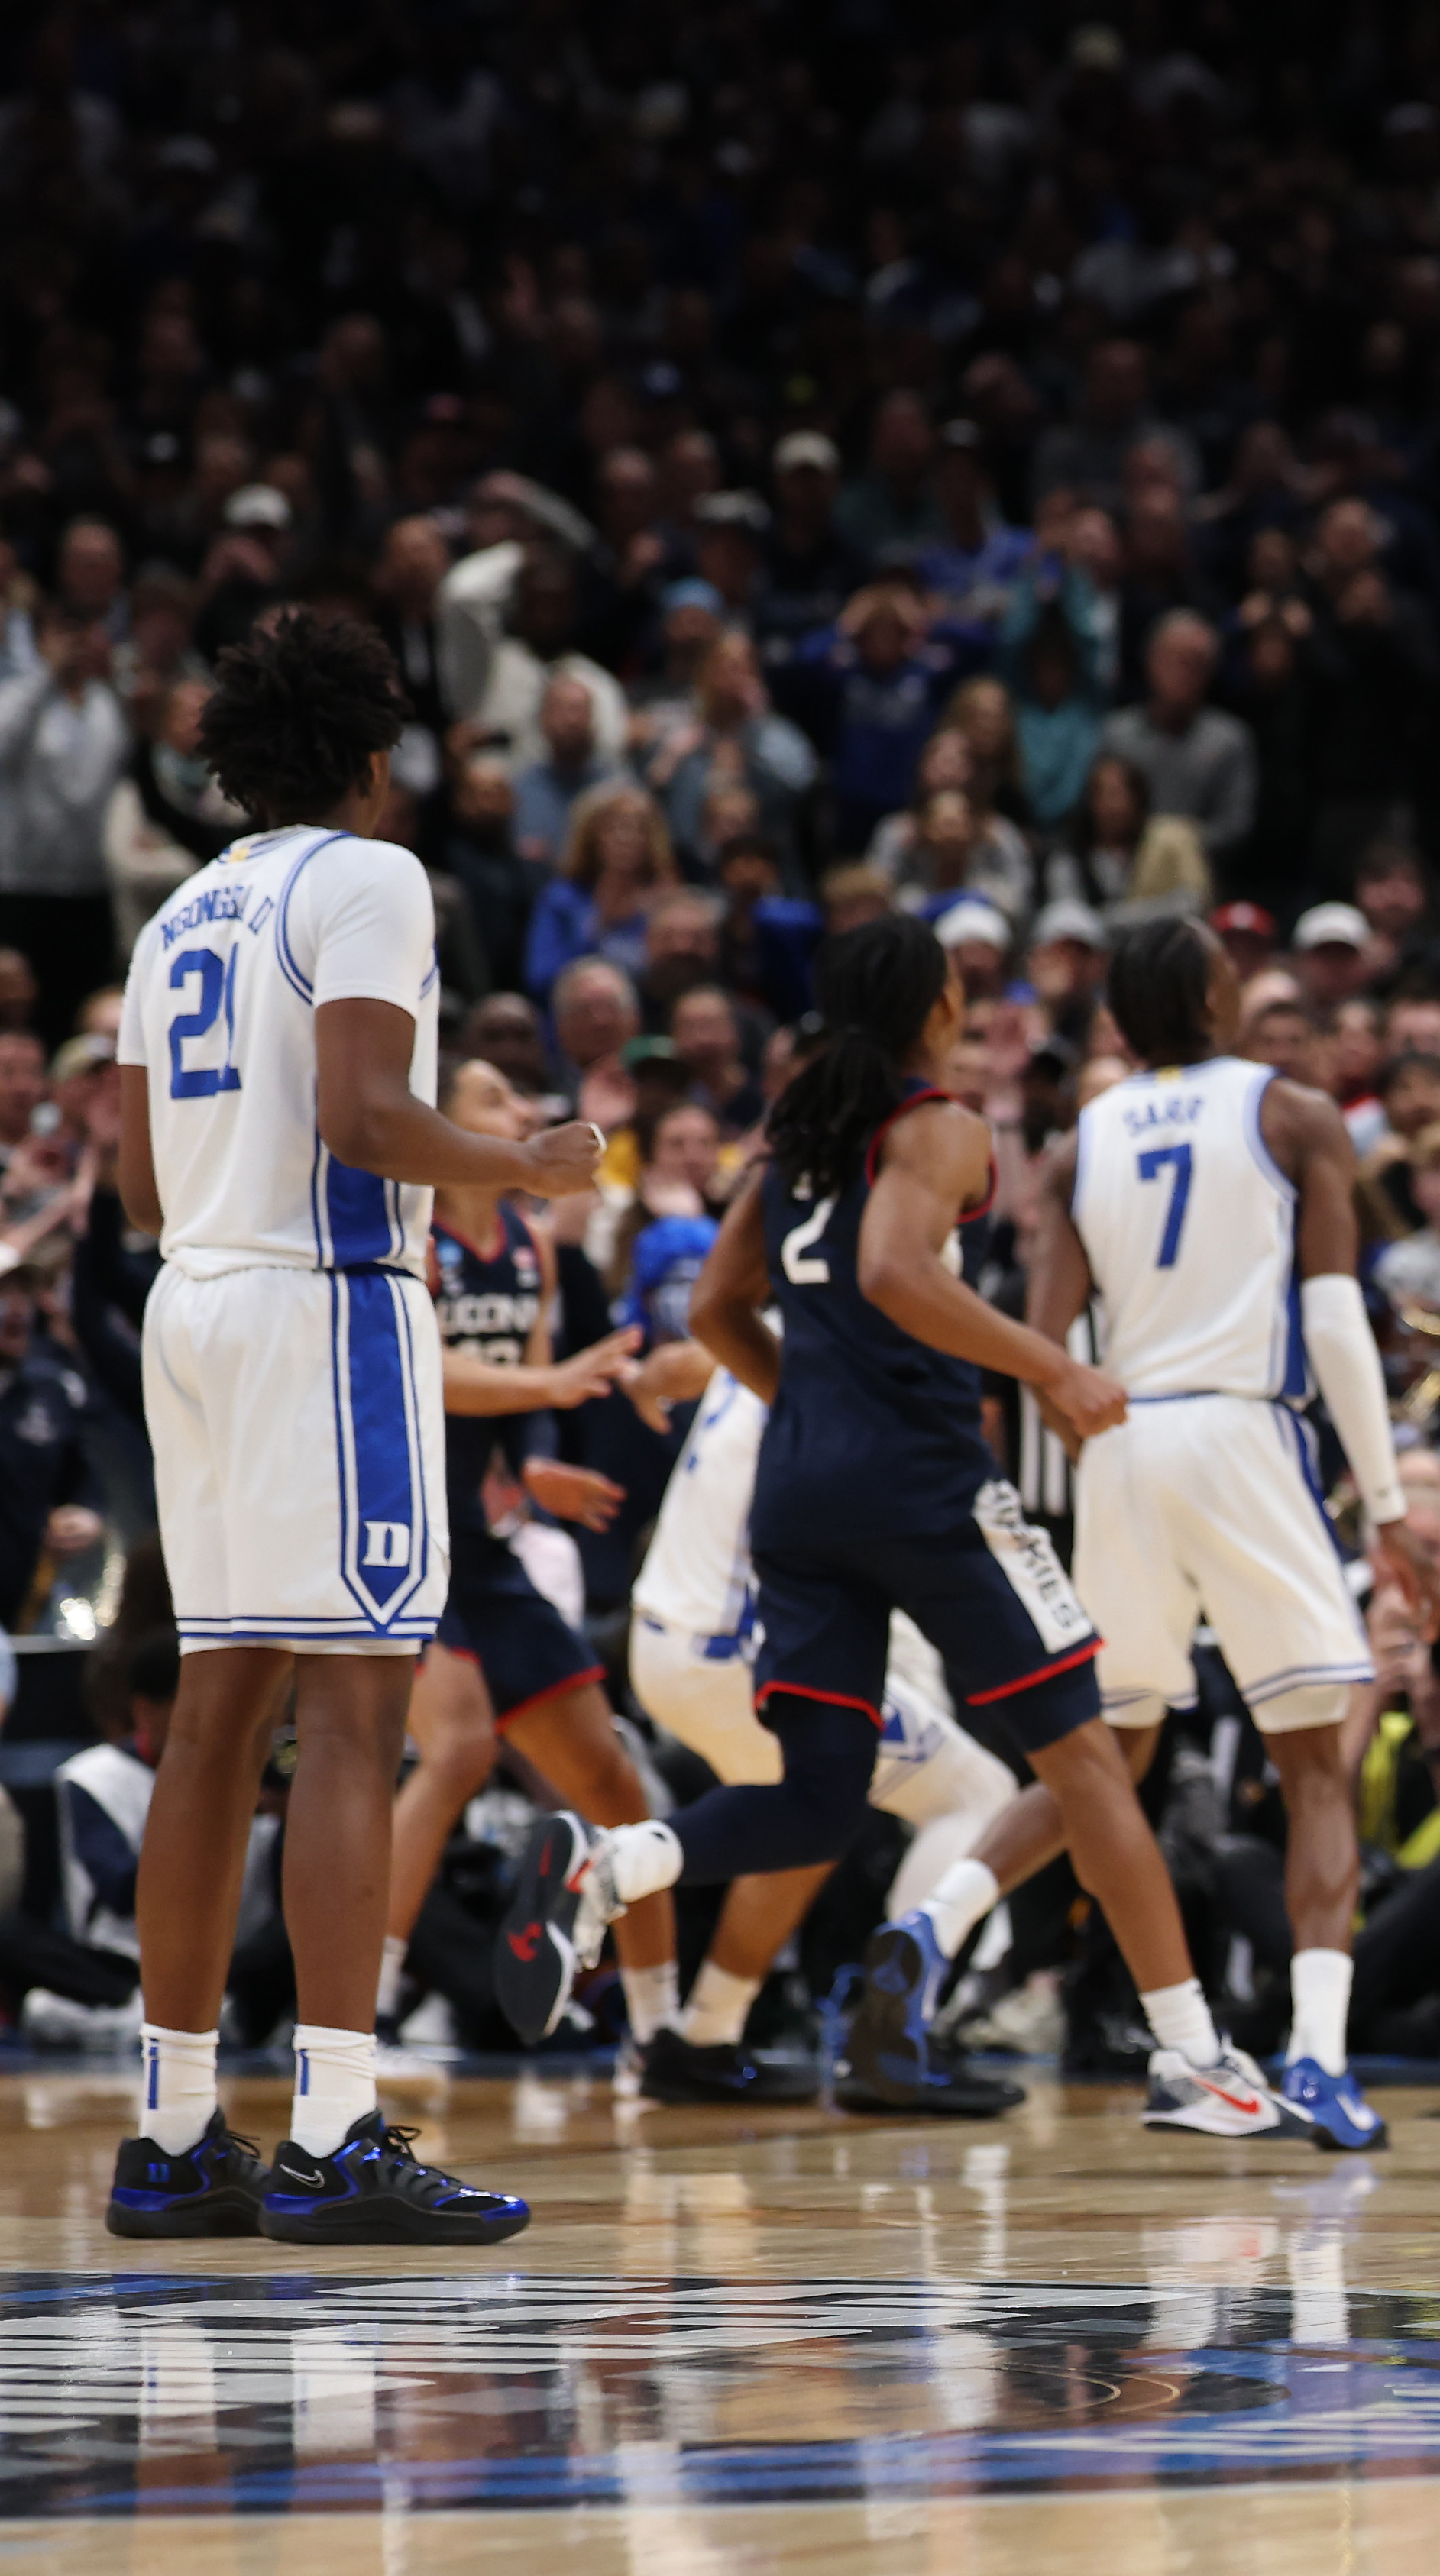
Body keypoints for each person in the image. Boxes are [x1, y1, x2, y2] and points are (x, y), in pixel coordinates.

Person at [493, 913, 1309, 2141]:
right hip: (931, 1489)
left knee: (819, 1800)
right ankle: (1197, 2057)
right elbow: (890, 1270)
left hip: (802, 1493)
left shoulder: (798, 1140)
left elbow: (717, 1311)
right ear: (934, 1006)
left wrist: (818, 1405)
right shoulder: (941, 1127)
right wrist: (1050, 1366)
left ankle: (609, 1870)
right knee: (1089, 1759)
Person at [102, 609, 599, 2242]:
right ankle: (332, 2124)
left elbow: (133, 1183)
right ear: (374, 762)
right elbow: (368, 1115)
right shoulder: (369, 877)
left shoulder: (179, 908)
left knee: (213, 1713)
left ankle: (175, 2129)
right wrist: (521, 1166)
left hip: (193, 1301)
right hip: (325, 1300)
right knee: (356, 1713)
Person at [1024, 914, 1440, 2148]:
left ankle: (946, 1933)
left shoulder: (1079, 1139)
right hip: (1241, 1432)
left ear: (1115, 1021)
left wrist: (1076, 1505)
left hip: (1115, 1445)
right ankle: (1316, 2059)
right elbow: (1332, 1330)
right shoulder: (1291, 1112)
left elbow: (1051, 1361)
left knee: (1108, 1756)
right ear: (1216, 996)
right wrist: (1383, 1510)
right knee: (1314, 1757)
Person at [380, 1058, 697, 2089]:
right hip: (402, 1529)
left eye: (520, 1099)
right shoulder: (410, 1229)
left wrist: (536, 1463)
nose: (522, 1112)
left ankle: (658, 2031)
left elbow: (514, 1395)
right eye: (497, 1100)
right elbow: (425, 1369)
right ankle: (361, 2002)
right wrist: (551, 1383)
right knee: (462, 1745)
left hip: (485, 1540)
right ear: (444, 1123)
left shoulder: (528, 1243)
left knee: (613, 1776)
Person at [620, 1358, 1020, 2101]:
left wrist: (648, 1377)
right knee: (979, 1793)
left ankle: (705, 2034)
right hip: (735, 1653)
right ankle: (894, 2037)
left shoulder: (760, 1330)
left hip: (663, 1636)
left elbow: (684, 1356)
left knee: (814, 1810)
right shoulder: (843, 1368)